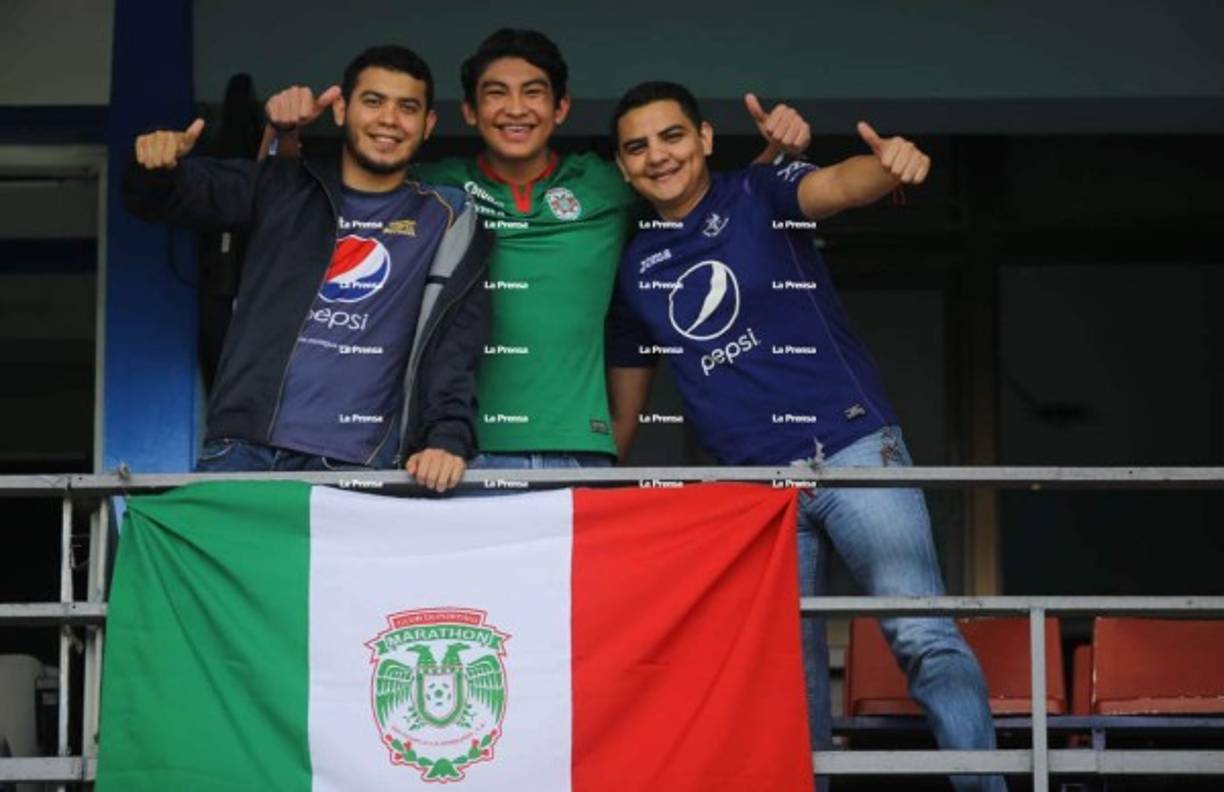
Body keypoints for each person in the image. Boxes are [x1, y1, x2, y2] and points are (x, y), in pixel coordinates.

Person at [606, 81, 1004, 792]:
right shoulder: (635, 269)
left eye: (672, 136)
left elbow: (837, 187)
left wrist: (889, 166)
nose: (657, 155)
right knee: (786, 679)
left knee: (922, 635)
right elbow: (623, 417)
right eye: (637, 147)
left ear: (703, 138)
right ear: (621, 166)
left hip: (851, 451)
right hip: (755, 496)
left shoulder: (759, 192)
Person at [264, 29, 810, 473]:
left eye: (533, 92)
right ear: (470, 112)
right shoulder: (434, 189)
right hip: (453, 456)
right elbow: (305, 208)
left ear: (560, 108)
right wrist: (282, 136)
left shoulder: (608, 183)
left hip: (579, 454)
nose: (515, 108)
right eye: (495, 93)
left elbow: (702, 204)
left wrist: (777, 153)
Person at [124, 46, 492, 491]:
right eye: (373, 101)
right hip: (243, 449)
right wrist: (157, 167)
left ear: (429, 123)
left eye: (407, 107)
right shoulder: (287, 187)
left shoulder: (447, 216)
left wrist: (447, 439)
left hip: (360, 460)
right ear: (340, 110)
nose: (390, 119)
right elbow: (169, 199)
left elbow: (455, 345)